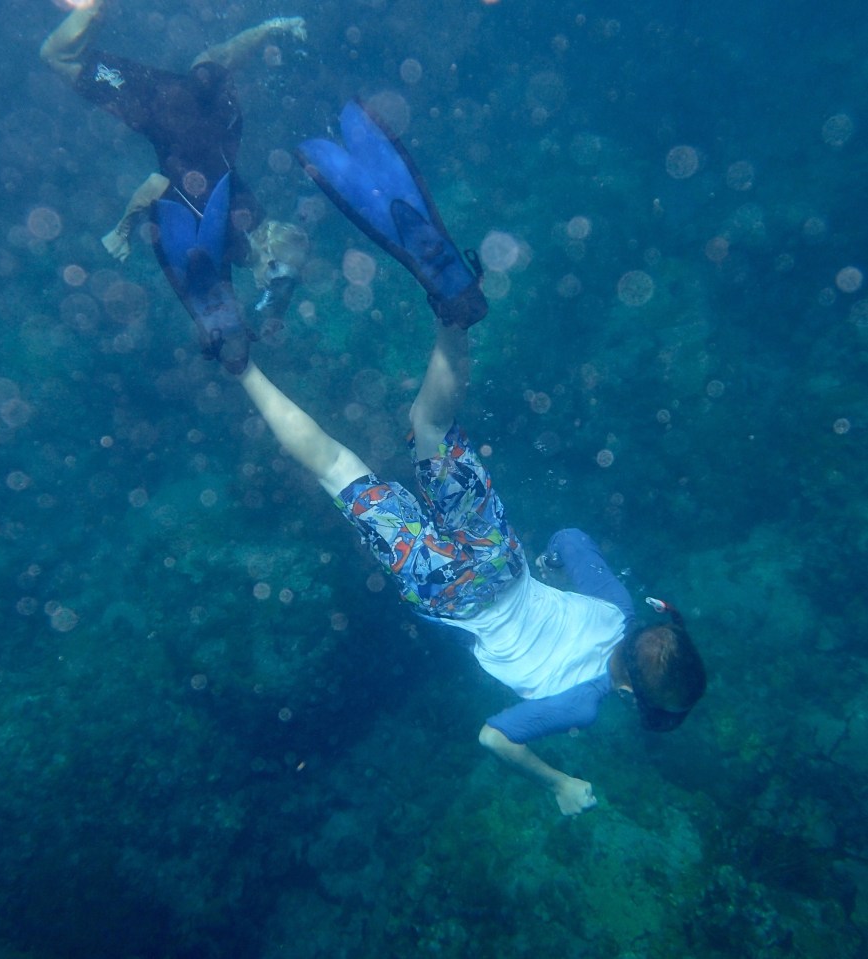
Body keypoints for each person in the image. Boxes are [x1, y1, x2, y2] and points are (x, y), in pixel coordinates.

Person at [225, 103, 708, 815]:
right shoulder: (582, 707)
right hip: (452, 594)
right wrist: (561, 783)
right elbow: (493, 737)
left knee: (429, 422)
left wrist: (545, 568)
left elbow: (571, 539)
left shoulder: (614, 608)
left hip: (501, 558)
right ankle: (238, 365)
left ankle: (453, 311)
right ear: (631, 691)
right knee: (337, 466)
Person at [40, 0, 310, 373]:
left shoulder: (256, 223)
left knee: (212, 63)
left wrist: (236, 318)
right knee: (58, 57)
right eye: (276, 279)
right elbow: (156, 187)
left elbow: (223, 255)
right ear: (268, 259)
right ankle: (94, 6)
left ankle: (272, 26)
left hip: (213, 118)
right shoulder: (238, 234)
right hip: (163, 112)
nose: (271, 286)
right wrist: (123, 229)